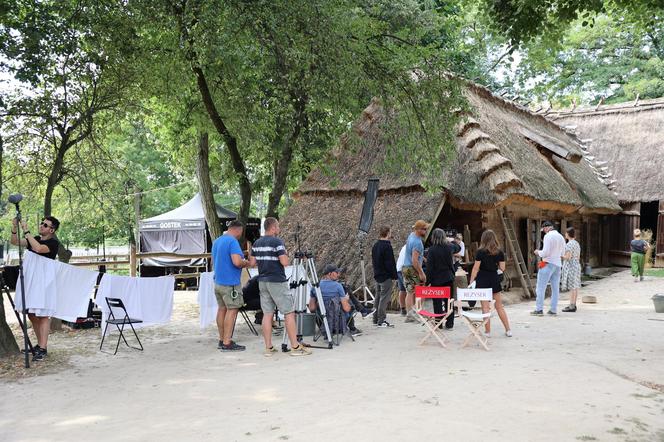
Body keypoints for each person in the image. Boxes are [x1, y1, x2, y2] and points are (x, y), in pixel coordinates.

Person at [252, 217, 311, 356]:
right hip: (277, 280)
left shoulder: (257, 243)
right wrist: (287, 256)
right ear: (272, 227)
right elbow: (284, 262)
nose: (279, 229)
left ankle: (268, 347)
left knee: (267, 314)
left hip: (262, 281)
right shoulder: (277, 242)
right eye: (278, 227)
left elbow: (252, 262)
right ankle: (295, 347)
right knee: (289, 312)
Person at [10, 216, 61, 361]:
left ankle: (43, 348)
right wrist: (15, 227)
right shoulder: (36, 238)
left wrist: (26, 230)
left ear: (52, 230)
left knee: (43, 314)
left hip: (44, 281)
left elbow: (38, 249)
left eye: (45, 225)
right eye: (41, 223)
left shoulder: (53, 243)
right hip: (31, 280)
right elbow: (15, 242)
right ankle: (39, 345)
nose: (41, 226)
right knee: (31, 313)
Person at [211, 220, 253, 352]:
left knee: (221, 309)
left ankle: (222, 339)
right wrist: (247, 263)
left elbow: (213, 260)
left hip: (218, 282)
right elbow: (236, 262)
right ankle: (227, 342)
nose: (241, 234)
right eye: (241, 232)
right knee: (232, 310)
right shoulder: (232, 242)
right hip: (230, 284)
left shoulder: (217, 241)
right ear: (238, 230)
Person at [469, 229, 512, 337]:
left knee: (485, 307)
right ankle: (508, 330)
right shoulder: (499, 252)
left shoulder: (480, 252)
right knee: (499, 306)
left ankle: (487, 332)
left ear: (483, 239)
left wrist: (471, 281)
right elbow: (502, 268)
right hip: (493, 278)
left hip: (482, 279)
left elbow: (475, 268)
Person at [308, 264, 364, 337]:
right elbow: (346, 309)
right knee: (349, 305)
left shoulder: (315, 287)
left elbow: (312, 308)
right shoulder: (338, 286)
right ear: (330, 274)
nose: (339, 274)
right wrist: (346, 300)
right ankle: (353, 328)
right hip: (338, 319)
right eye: (337, 272)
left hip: (323, 318)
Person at [531, 220, 566, 316]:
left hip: (547, 263)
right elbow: (563, 253)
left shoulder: (548, 236)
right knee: (555, 289)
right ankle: (553, 310)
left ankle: (539, 309)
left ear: (547, 228)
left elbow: (545, 252)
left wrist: (538, 252)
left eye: (543, 230)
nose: (544, 232)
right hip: (557, 264)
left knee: (540, 288)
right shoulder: (561, 237)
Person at [425, 229, 458, 329]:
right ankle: (450, 323)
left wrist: (427, 282)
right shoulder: (449, 247)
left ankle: (438, 323)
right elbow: (458, 247)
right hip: (448, 277)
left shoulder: (432, 250)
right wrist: (451, 240)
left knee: (437, 302)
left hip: (436, 279)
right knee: (449, 301)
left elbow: (429, 268)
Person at [371, 226, 398, 327]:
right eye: (390, 232)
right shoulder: (387, 246)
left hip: (377, 275)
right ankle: (381, 320)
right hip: (385, 276)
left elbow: (374, 261)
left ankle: (375, 318)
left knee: (378, 297)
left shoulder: (376, 245)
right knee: (384, 298)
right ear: (387, 233)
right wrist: (394, 276)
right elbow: (390, 263)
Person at [403, 220, 428, 323]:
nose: (426, 231)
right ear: (418, 230)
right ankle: (417, 312)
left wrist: (422, 258)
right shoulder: (417, 242)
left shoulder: (411, 236)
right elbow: (414, 260)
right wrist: (421, 272)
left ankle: (409, 314)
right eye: (424, 229)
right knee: (420, 291)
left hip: (406, 267)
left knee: (409, 292)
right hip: (413, 268)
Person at [561, 227, 582, 312]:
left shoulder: (569, 244)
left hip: (571, 267)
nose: (565, 234)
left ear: (568, 234)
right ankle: (574, 304)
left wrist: (560, 255)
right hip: (577, 265)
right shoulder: (577, 243)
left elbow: (568, 257)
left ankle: (571, 306)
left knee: (572, 287)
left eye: (566, 233)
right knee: (575, 286)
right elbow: (578, 257)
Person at [396, 245, 407, 316]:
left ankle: (403, 310)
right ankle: (412, 311)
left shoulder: (404, 246)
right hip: (404, 269)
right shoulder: (415, 245)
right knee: (410, 291)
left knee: (402, 290)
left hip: (399, 268)